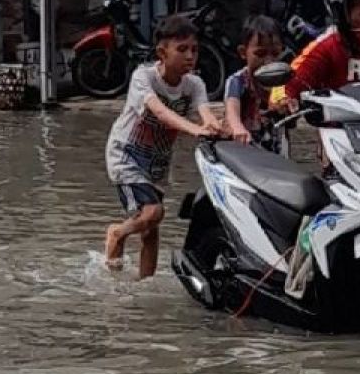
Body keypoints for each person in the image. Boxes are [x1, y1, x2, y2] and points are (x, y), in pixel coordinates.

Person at [105, 14, 221, 279]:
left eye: (194, 49)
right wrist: (195, 129)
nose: (190, 56)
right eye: (182, 50)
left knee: (151, 228)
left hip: (157, 163)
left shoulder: (194, 85)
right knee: (153, 212)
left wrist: (216, 126)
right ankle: (117, 233)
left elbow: (206, 114)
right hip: (127, 156)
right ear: (162, 52)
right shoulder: (143, 78)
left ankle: (143, 283)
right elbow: (159, 112)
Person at [223, 15, 285, 149]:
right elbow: (231, 108)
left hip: (278, 155)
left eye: (275, 54)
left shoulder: (283, 81)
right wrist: (237, 127)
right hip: (247, 154)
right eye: (260, 54)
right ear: (243, 52)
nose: (268, 61)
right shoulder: (238, 81)